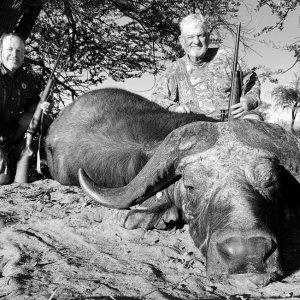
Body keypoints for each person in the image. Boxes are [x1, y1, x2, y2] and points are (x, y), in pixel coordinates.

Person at [151, 13, 262, 121]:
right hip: (196, 129)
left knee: (254, 119)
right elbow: (157, 98)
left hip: (235, 122)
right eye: (190, 37)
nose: (196, 41)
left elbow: (251, 80)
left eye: (200, 35)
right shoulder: (174, 70)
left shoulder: (228, 57)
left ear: (208, 37)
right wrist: (174, 108)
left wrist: (250, 100)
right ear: (181, 40)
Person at [0, 32, 51, 185]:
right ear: (0, 51)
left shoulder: (25, 79)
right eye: (9, 49)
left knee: (43, 119)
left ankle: (23, 155)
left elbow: (33, 106)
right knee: (2, 179)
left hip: (10, 135)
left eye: (19, 51)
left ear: (23, 54)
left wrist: (44, 106)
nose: (14, 54)